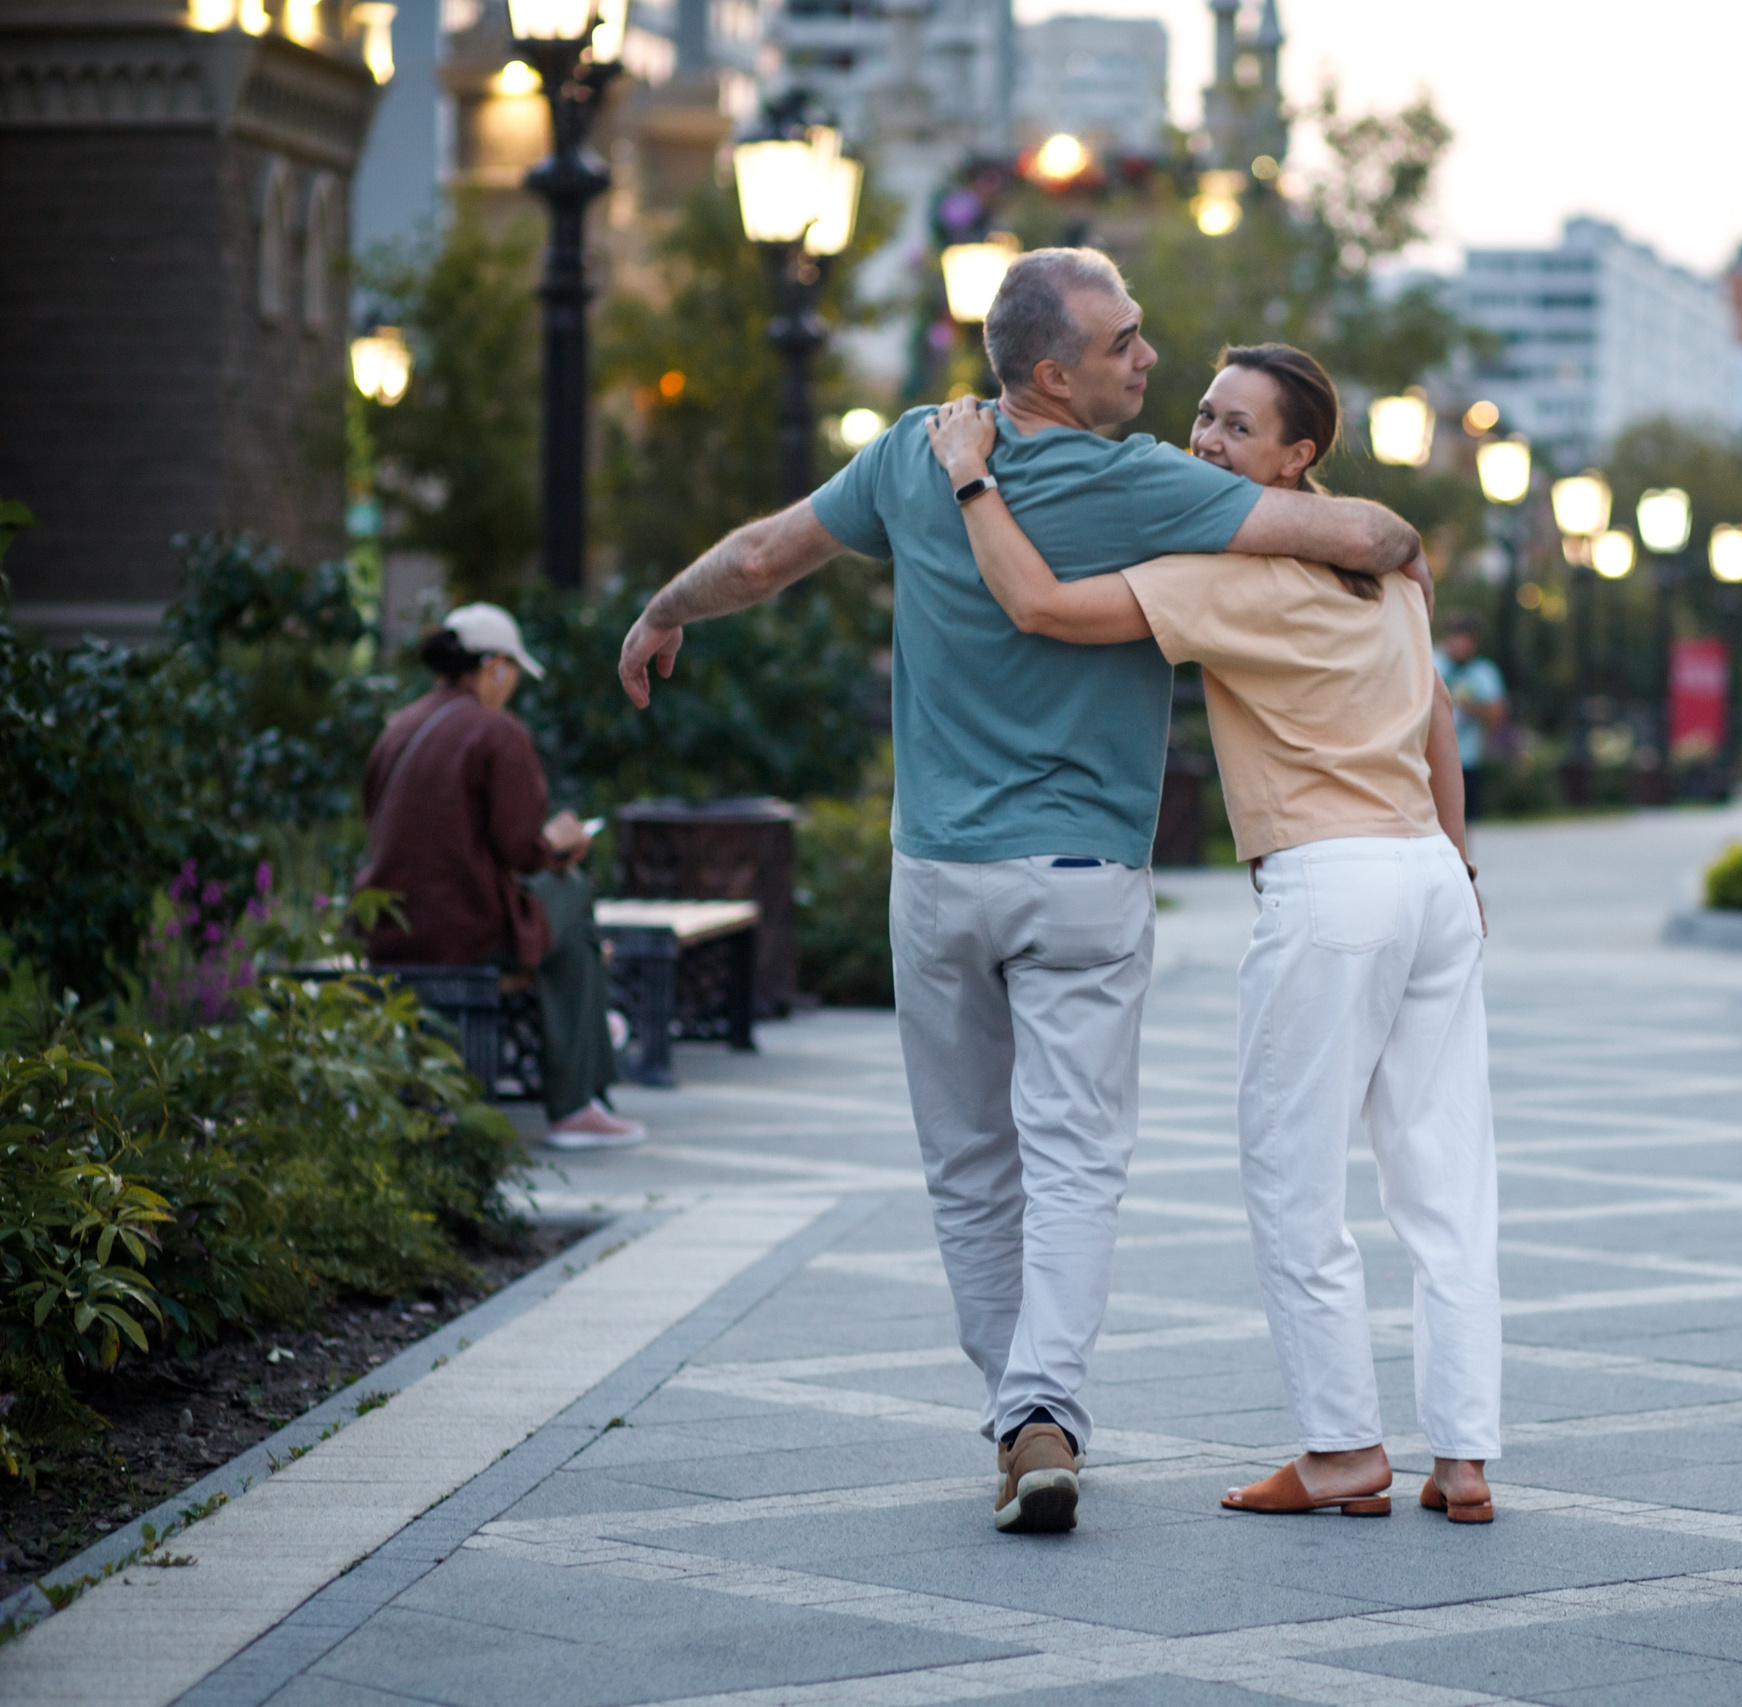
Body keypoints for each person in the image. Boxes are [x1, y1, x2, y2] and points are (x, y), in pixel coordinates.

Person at [614, 249, 1423, 1535]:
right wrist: (1400, 546)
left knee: (969, 1166)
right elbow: (1361, 535)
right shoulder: (1148, 482)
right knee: (1078, 1161)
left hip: (936, 875)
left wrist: (663, 611)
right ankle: (1039, 1406)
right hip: (1082, 880)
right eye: (1125, 345)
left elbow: (766, 556)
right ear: (1055, 372)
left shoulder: (910, 453)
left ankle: (1021, 1420)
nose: (1152, 362)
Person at [922, 340, 1502, 1525]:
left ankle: (1343, 1453)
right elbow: (1436, 707)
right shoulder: (1384, 558)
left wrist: (972, 476)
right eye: (1202, 418)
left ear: (1298, 455)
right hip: (1425, 877)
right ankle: (1464, 1458)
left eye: (1238, 429)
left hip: (1329, 882)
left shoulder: (1224, 572)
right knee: (1445, 1182)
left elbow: (1035, 604)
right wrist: (1460, 860)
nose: (1204, 444)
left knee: (1296, 1187)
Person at [360, 603, 641, 1150]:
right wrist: (560, 843)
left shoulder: (398, 727)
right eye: (513, 673)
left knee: (573, 937)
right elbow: (521, 850)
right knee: (574, 894)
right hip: (465, 933)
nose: (512, 687)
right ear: (494, 666)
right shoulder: (496, 732)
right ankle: (576, 1099)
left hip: (387, 931)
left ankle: (592, 1046)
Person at [1433, 614, 1507, 822]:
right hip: (1432, 758)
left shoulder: (1483, 672)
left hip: (1467, 758)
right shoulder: (1432, 662)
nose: (1462, 646)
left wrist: (1469, 705)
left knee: (1465, 823)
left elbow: (1497, 713)